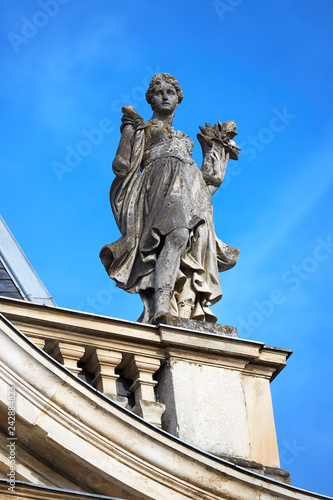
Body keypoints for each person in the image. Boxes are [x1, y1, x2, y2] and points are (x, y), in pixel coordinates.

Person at [100, 73, 239, 324]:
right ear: (150, 100)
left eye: (170, 92)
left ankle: (180, 308)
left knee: (188, 245)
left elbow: (206, 179)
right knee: (176, 235)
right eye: (159, 92)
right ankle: (162, 302)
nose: (165, 96)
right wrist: (129, 129)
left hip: (189, 190)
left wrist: (217, 150)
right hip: (158, 186)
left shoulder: (185, 139)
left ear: (178, 99)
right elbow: (121, 165)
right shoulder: (145, 127)